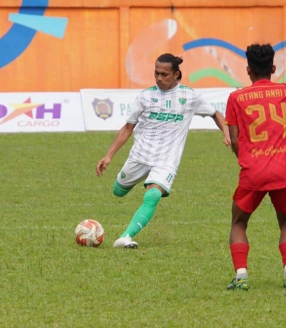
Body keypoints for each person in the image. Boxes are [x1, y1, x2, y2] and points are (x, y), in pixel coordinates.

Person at [96, 54, 230, 248]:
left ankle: (125, 237)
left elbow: (215, 114)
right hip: (140, 156)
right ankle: (132, 182)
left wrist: (226, 132)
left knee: (153, 195)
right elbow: (127, 128)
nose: (159, 78)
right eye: (156, 73)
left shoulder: (190, 97)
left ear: (177, 74)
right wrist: (108, 156)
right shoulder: (145, 97)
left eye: (164, 74)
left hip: (166, 160)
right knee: (118, 191)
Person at [225, 44, 286, 290]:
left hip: (253, 170)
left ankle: (241, 275)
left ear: (248, 70)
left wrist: (244, 156)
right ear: (274, 67)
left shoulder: (236, 97)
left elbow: (235, 139)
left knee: (238, 223)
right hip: (283, 170)